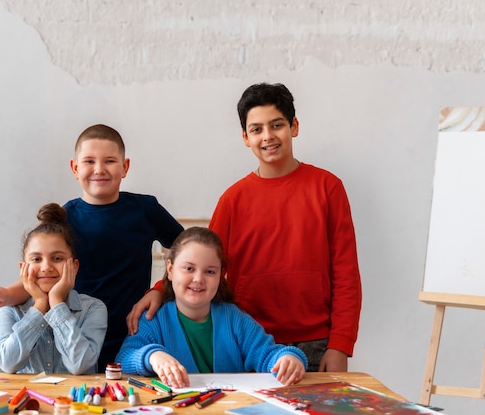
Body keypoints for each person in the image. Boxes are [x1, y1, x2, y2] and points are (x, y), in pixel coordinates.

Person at [128, 83, 362, 372]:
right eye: (256, 129)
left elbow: (346, 274)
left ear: (294, 126)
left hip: (316, 342)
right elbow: (202, 258)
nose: (267, 136)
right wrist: (160, 289)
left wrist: (340, 344)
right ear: (245, 137)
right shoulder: (233, 199)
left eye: (276, 125)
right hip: (248, 341)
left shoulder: (328, 189)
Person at [0, 124, 184, 371]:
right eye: (89, 161)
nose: (99, 169)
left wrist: (161, 289)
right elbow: (41, 276)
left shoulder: (146, 210)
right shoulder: (63, 218)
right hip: (75, 340)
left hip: (132, 337)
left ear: (125, 167)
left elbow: (188, 252)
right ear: (75, 168)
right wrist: (3, 295)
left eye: (109, 160)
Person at [117, 227, 307, 388]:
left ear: (220, 275)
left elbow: (268, 355)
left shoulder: (235, 319)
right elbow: (124, 359)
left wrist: (288, 359)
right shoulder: (154, 319)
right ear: (170, 269)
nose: (198, 279)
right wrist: (153, 356)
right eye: (189, 268)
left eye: (209, 271)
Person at [0, 203, 107, 374]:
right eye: (36, 259)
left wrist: (56, 303)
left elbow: (80, 365)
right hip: (29, 399)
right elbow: (7, 363)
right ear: (23, 268)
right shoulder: (10, 310)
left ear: (74, 267)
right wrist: (39, 305)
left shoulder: (93, 308)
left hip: (76, 400)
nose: (46, 267)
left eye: (57, 258)